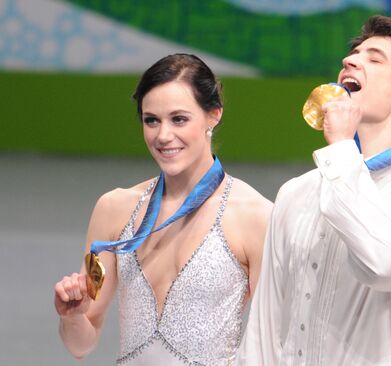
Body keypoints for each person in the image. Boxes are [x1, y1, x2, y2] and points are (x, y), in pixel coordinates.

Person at [237, 15, 391, 366]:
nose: (349, 61)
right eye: (353, 54)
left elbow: (381, 263)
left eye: (374, 58)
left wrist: (342, 146)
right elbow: (265, 323)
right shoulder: (296, 193)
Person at [54, 53, 273, 365]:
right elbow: (80, 345)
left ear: (214, 115)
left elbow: (273, 341)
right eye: (151, 120)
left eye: (179, 119)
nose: (163, 135)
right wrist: (73, 318)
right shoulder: (113, 209)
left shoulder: (255, 216)